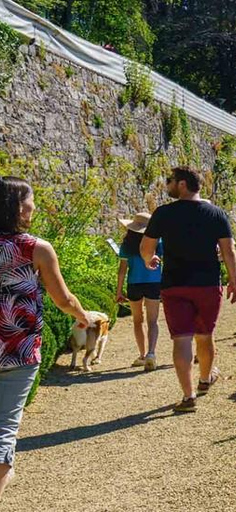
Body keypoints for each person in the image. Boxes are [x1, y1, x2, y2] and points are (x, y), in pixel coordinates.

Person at [0, 177, 89, 500]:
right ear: (21, 208)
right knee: (5, 430)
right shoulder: (36, 248)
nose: (34, 208)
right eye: (32, 203)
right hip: (19, 350)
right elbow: (62, 298)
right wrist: (82, 316)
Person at [140, 167, 236, 413]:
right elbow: (229, 251)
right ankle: (205, 380)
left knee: (181, 339)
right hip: (207, 284)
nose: (168, 185)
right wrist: (234, 281)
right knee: (205, 335)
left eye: (170, 181)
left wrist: (148, 260)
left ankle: (188, 396)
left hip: (174, 284)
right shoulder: (216, 214)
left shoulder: (163, 213)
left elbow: (146, 246)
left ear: (182, 184)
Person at [116, 212, 162, 371]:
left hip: (134, 283)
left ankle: (142, 355)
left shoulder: (126, 244)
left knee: (137, 320)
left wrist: (119, 291)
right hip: (154, 282)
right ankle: (151, 353)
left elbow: (122, 270)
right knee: (153, 321)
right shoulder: (157, 242)